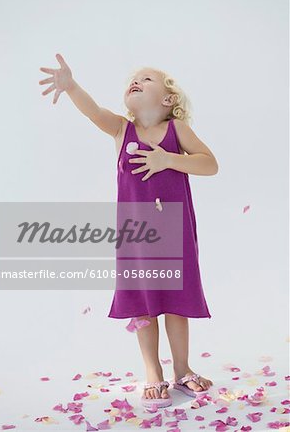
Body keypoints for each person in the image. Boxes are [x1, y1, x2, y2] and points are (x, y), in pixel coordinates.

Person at [39, 54, 218, 409]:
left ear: (169, 100)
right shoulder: (123, 129)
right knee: (144, 304)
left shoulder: (176, 130)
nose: (136, 81)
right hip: (137, 236)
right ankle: (153, 371)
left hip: (175, 231)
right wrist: (72, 86)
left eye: (147, 79)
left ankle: (182, 369)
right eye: (133, 79)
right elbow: (93, 113)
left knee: (176, 303)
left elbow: (209, 164)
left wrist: (168, 159)